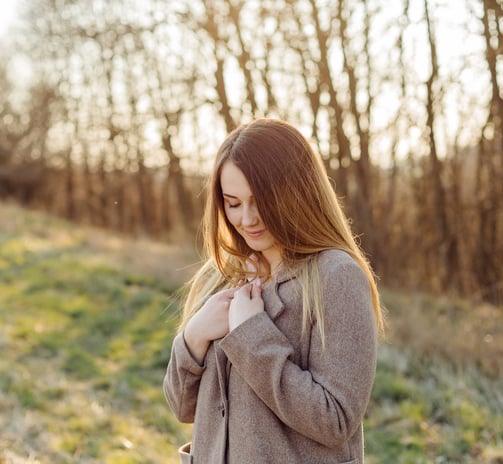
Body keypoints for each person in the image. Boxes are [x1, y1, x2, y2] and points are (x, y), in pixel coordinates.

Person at [163, 118, 384, 464]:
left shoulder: (336, 276)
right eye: (233, 203)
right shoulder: (222, 274)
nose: (247, 219)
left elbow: (336, 419)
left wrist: (251, 335)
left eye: (261, 201)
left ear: (298, 192)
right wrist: (194, 336)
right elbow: (182, 406)